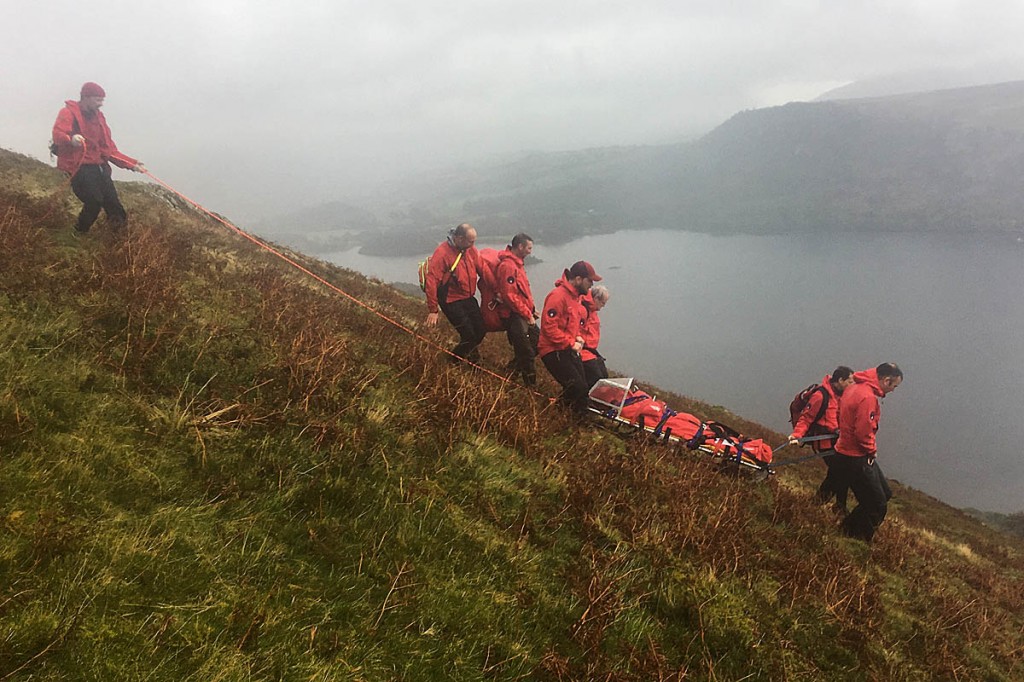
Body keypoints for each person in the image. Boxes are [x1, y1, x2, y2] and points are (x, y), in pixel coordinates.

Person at [51, 82, 145, 233]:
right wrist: (71, 139)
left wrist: (131, 164)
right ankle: (79, 233)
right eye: (97, 100)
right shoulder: (68, 112)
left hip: (98, 166)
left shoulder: (100, 118)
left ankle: (118, 243)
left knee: (114, 206)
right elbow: (58, 134)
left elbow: (108, 148)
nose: (100, 104)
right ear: (86, 97)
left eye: (102, 100)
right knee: (94, 201)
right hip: (78, 166)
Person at [832, 363, 904, 543]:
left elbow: (841, 413)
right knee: (877, 505)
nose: (894, 390)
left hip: (846, 451)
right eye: (894, 385)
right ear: (886, 380)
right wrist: (871, 450)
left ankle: (847, 530)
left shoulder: (854, 387)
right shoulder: (867, 397)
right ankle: (858, 541)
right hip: (855, 456)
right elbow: (863, 431)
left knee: (884, 494)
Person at [787, 366, 855, 513]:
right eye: (850, 381)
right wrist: (797, 435)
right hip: (823, 442)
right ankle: (820, 504)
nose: (852, 385)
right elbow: (807, 417)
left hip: (836, 440)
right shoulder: (820, 395)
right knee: (840, 471)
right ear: (840, 380)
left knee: (840, 471)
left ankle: (836, 505)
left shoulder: (841, 395)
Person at [539, 261, 601, 414]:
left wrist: (578, 337)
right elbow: (549, 328)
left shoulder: (576, 298)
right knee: (577, 386)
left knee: (583, 387)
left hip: (567, 348)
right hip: (553, 350)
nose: (591, 286)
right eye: (589, 281)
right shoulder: (558, 296)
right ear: (579, 279)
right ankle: (562, 417)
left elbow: (571, 325)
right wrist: (571, 343)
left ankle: (564, 415)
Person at [424, 223, 490, 362]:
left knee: (481, 330)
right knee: (469, 335)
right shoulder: (442, 253)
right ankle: (460, 363)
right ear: (459, 238)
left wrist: (496, 289)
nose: (473, 244)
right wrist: (433, 310)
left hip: (467, 296)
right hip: (451, 300)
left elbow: (482, 268)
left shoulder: (469, 249)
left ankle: (461, 359)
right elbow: (432, 280)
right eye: (471, 241)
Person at [495, 233, 539, 386]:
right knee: (526, 353)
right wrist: (527, 314)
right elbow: (509, 295)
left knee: (536, 345)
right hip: (514, 316)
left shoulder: (517, 265)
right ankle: (530, 389)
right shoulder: (508, 266)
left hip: (522, 314)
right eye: (528, 248)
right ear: (520, 246)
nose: (530, 251)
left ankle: (509, 374)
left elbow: (522, 292)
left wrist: (531, 310)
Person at [580, 285, 610, 388]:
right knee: (597, 380)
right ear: (596, 298)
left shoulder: (592, 311)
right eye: (603, 303)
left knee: (604, 378)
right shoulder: (583, 309)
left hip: (591, 352)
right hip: (583, 351)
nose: (603, 306)